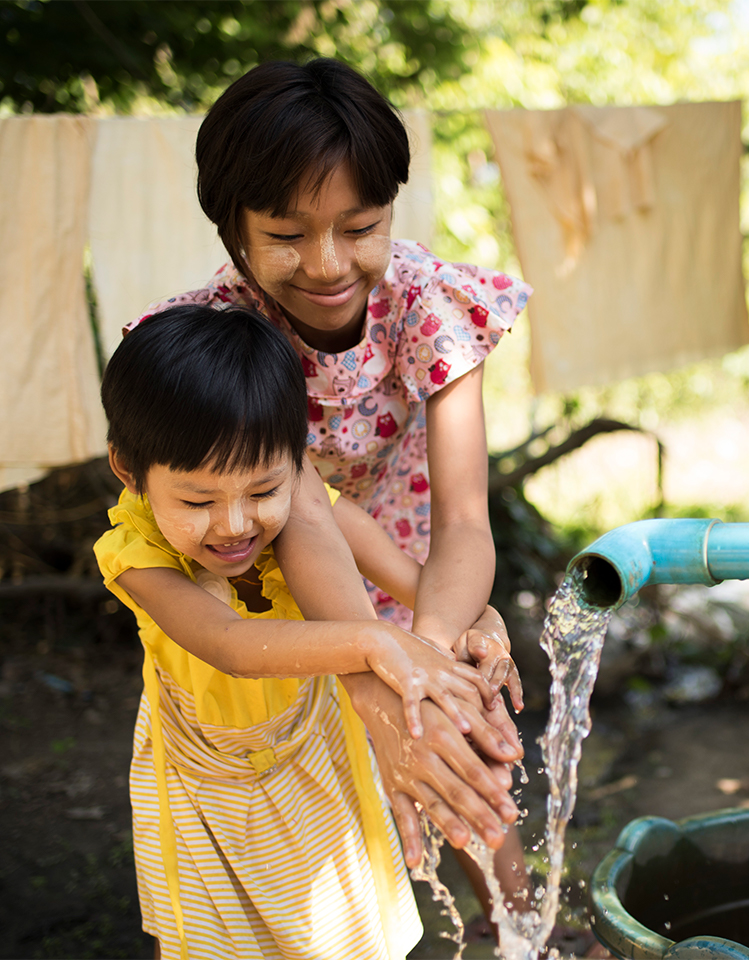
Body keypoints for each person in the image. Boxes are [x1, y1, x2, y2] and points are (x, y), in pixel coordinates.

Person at [130, 58, 535, 930]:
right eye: (286, 234)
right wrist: (376, 677)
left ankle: (532, 932)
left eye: (361, 226)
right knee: (316, 781)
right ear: (232, 227)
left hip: (412, 555)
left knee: (460, 749)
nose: (326, 264)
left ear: (391, 207)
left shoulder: (427, 305)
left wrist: (420, 668)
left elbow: (466, 519)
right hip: (273, 567)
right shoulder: (221, 334)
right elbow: (307, 511)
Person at [96, 305, 525, 958]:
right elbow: (230, 645)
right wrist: (375, 640)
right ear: (130, 470)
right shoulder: (135, 552)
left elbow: (420, 583)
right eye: (198, 502)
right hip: (206, 780)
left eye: (262, 489)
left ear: (294, 464)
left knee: (345, 932)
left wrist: (480, 623)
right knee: (215, 939)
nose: (235, 524)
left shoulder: (305, 502)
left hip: (317, 750)